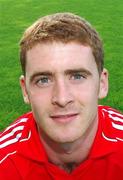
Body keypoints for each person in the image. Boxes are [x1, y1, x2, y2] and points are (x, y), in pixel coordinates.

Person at [0, 12, 123, 180]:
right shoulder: (4, 160)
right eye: (43, 80)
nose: (62, 98)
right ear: (25, 91)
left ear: (102, 84)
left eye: (78, 76)